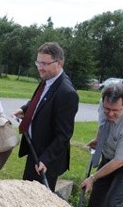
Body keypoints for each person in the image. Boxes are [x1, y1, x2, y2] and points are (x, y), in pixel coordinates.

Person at [12, 42, 79, 191]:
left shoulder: (67, 93)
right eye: (38, 62)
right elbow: (39, 101)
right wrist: (25, 110)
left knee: (37, 202)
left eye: (44, 63)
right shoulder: (47, 79)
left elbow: (64, 134)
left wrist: (46, 159)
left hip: (45, 160)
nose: (40, 67)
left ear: (59, 63)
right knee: (26, 193)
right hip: (34, 149)